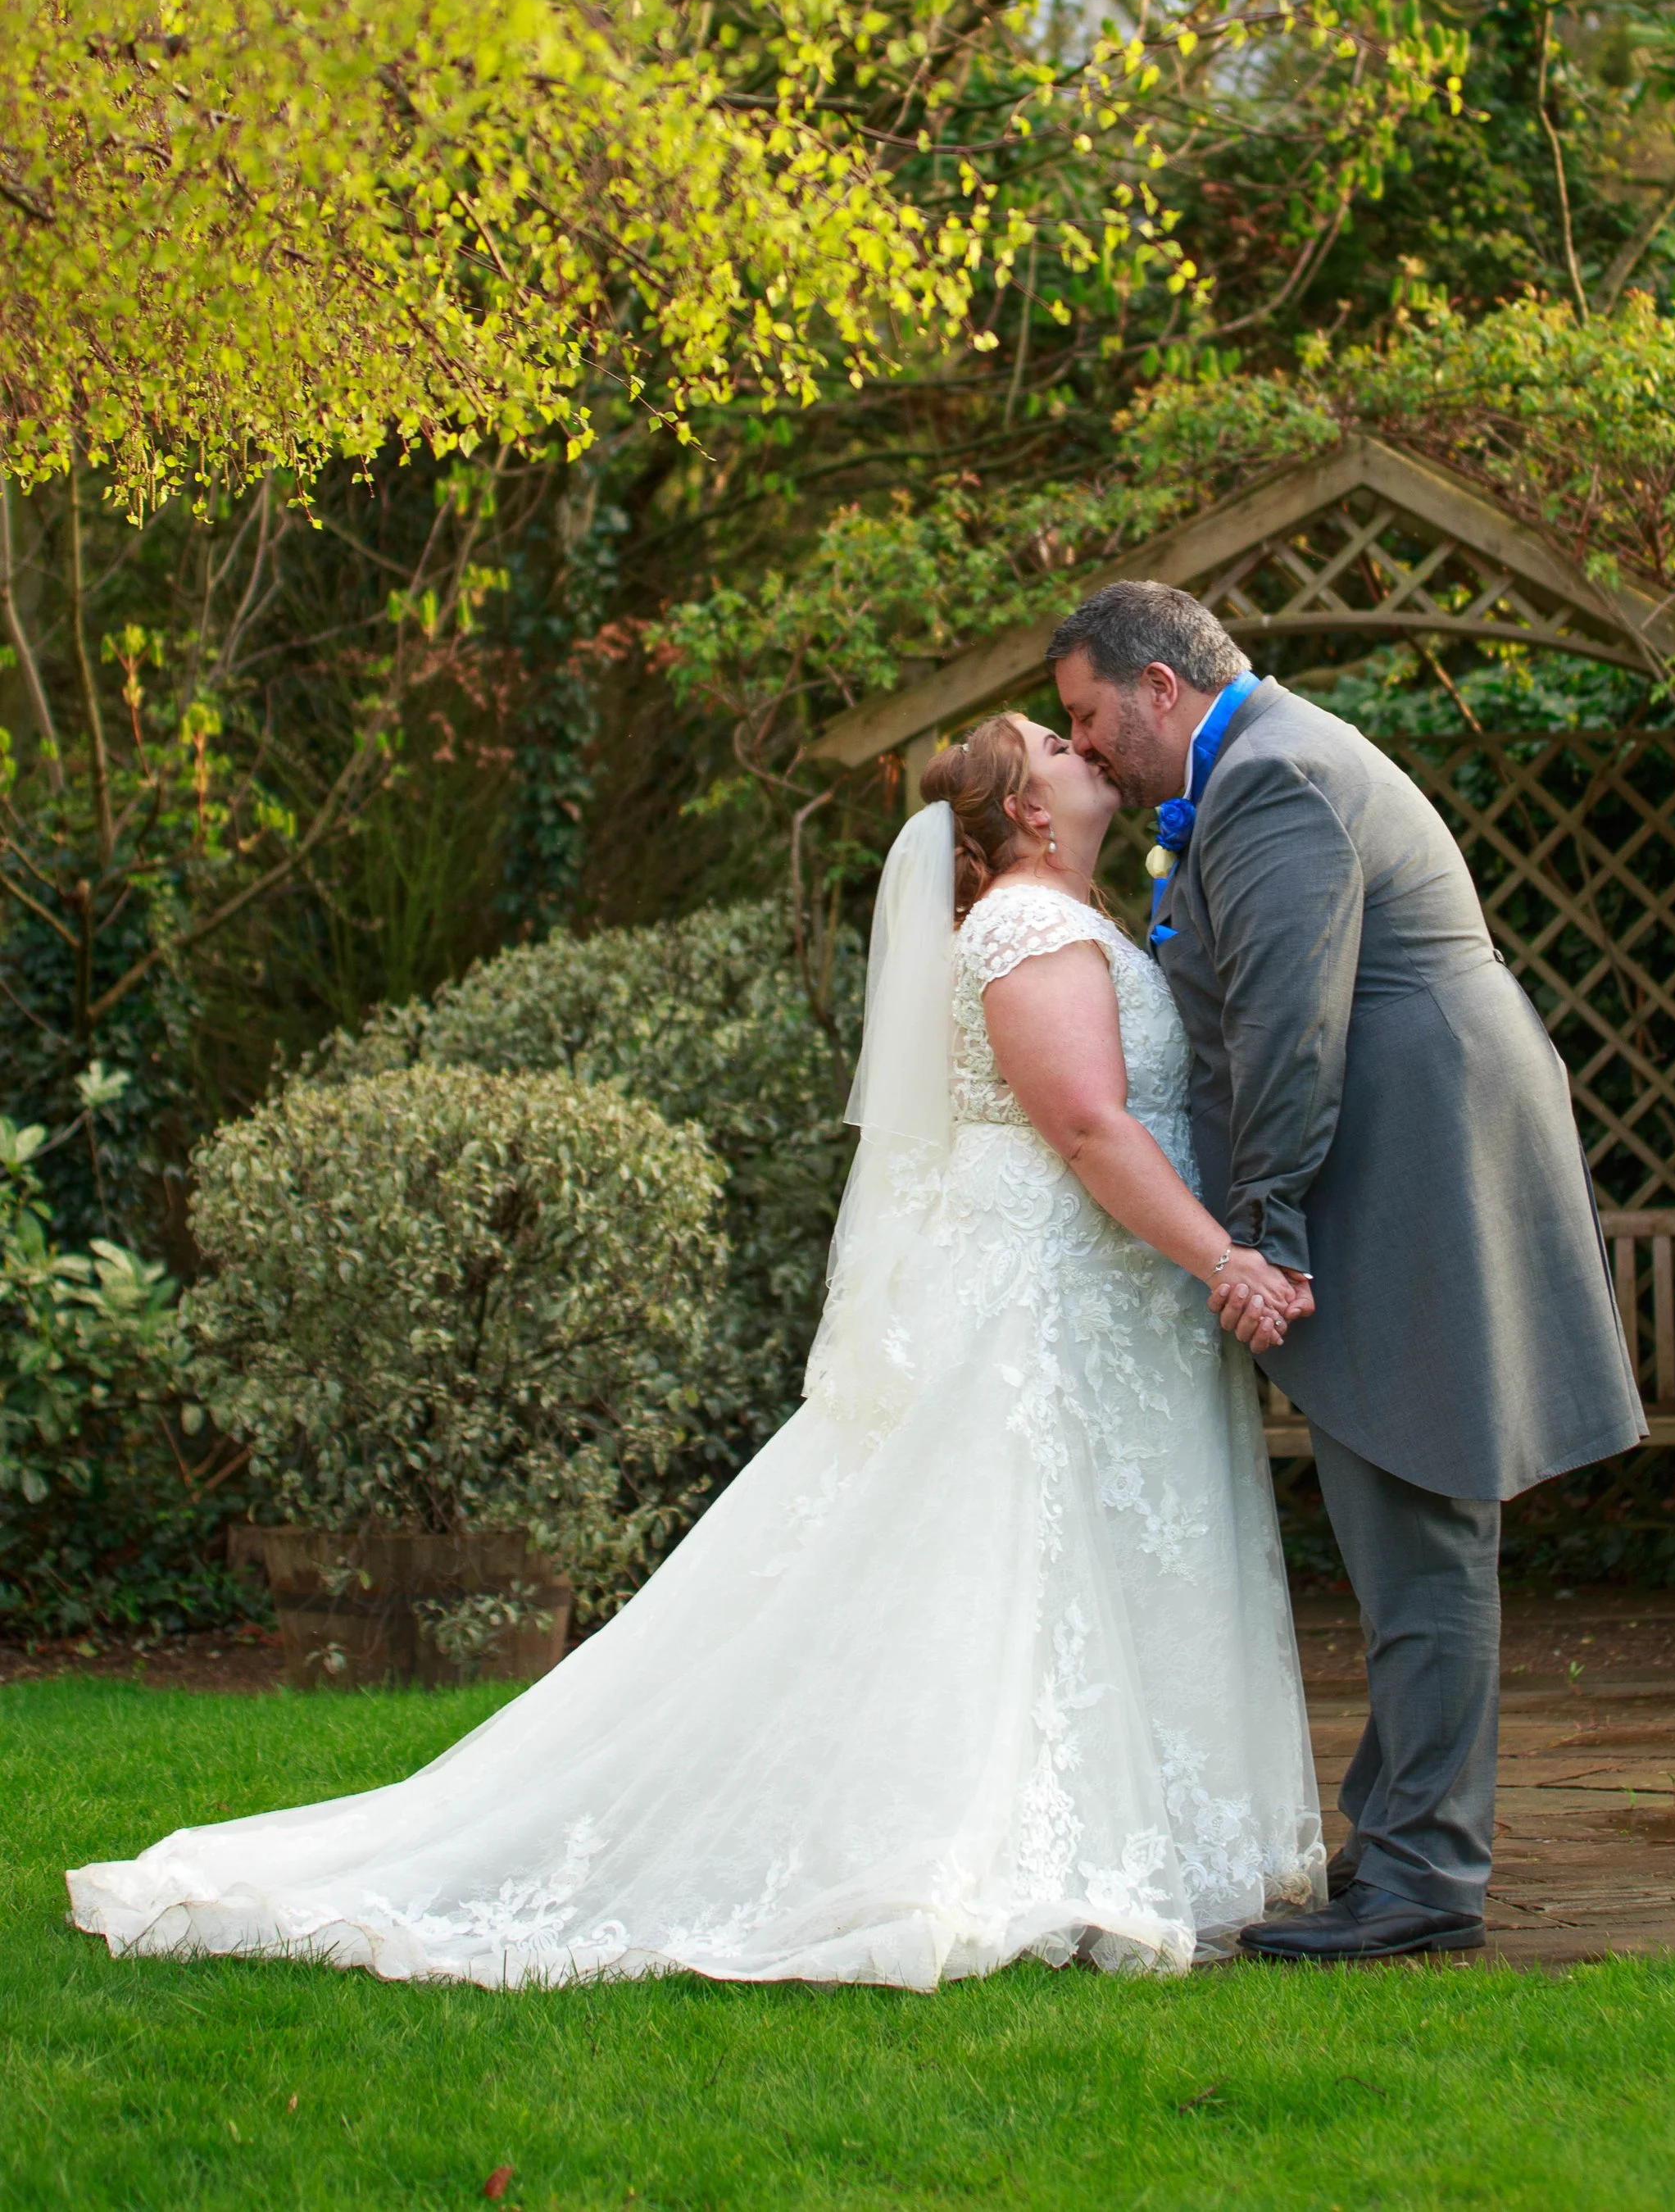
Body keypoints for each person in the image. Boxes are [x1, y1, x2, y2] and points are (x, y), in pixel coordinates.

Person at [68, 716, 1321, 1989]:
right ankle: (983, 1843)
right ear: (1028, 811)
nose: (1081, 743)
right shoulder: (1022, 928)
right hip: (1034, 1308)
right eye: (1054, 741)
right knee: (1006, 1563)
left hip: (1091, 1299)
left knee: (1060, 1564)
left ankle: (1097, 1833)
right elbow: (1090, 1126)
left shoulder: (1073, 914)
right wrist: (1226, 1261)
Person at [1051, 579, 1647, 1964]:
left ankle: (1425, 1878)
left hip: (1410, 1166)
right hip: (1401, 1155)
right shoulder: (1261, 763)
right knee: (1405, 1514)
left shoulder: (1272, 779)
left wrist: (1264, 1237)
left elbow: (1288, 1028)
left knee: (1421, 1513)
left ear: (1159, 686)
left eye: (1088, 720)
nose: (1081, 752)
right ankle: (1394, 1841)